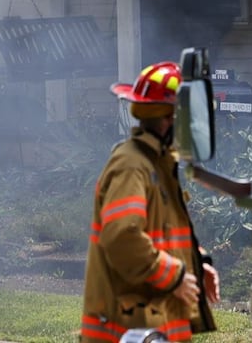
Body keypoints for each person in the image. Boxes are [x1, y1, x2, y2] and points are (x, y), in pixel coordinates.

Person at [81, 61, 219, 343]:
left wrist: (196, 262)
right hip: (126, 330)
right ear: (170, 118)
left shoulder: (156, 163)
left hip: (153, 326)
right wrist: (176, 276)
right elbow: (123, 236)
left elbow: (163, 233)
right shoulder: (132, 165)